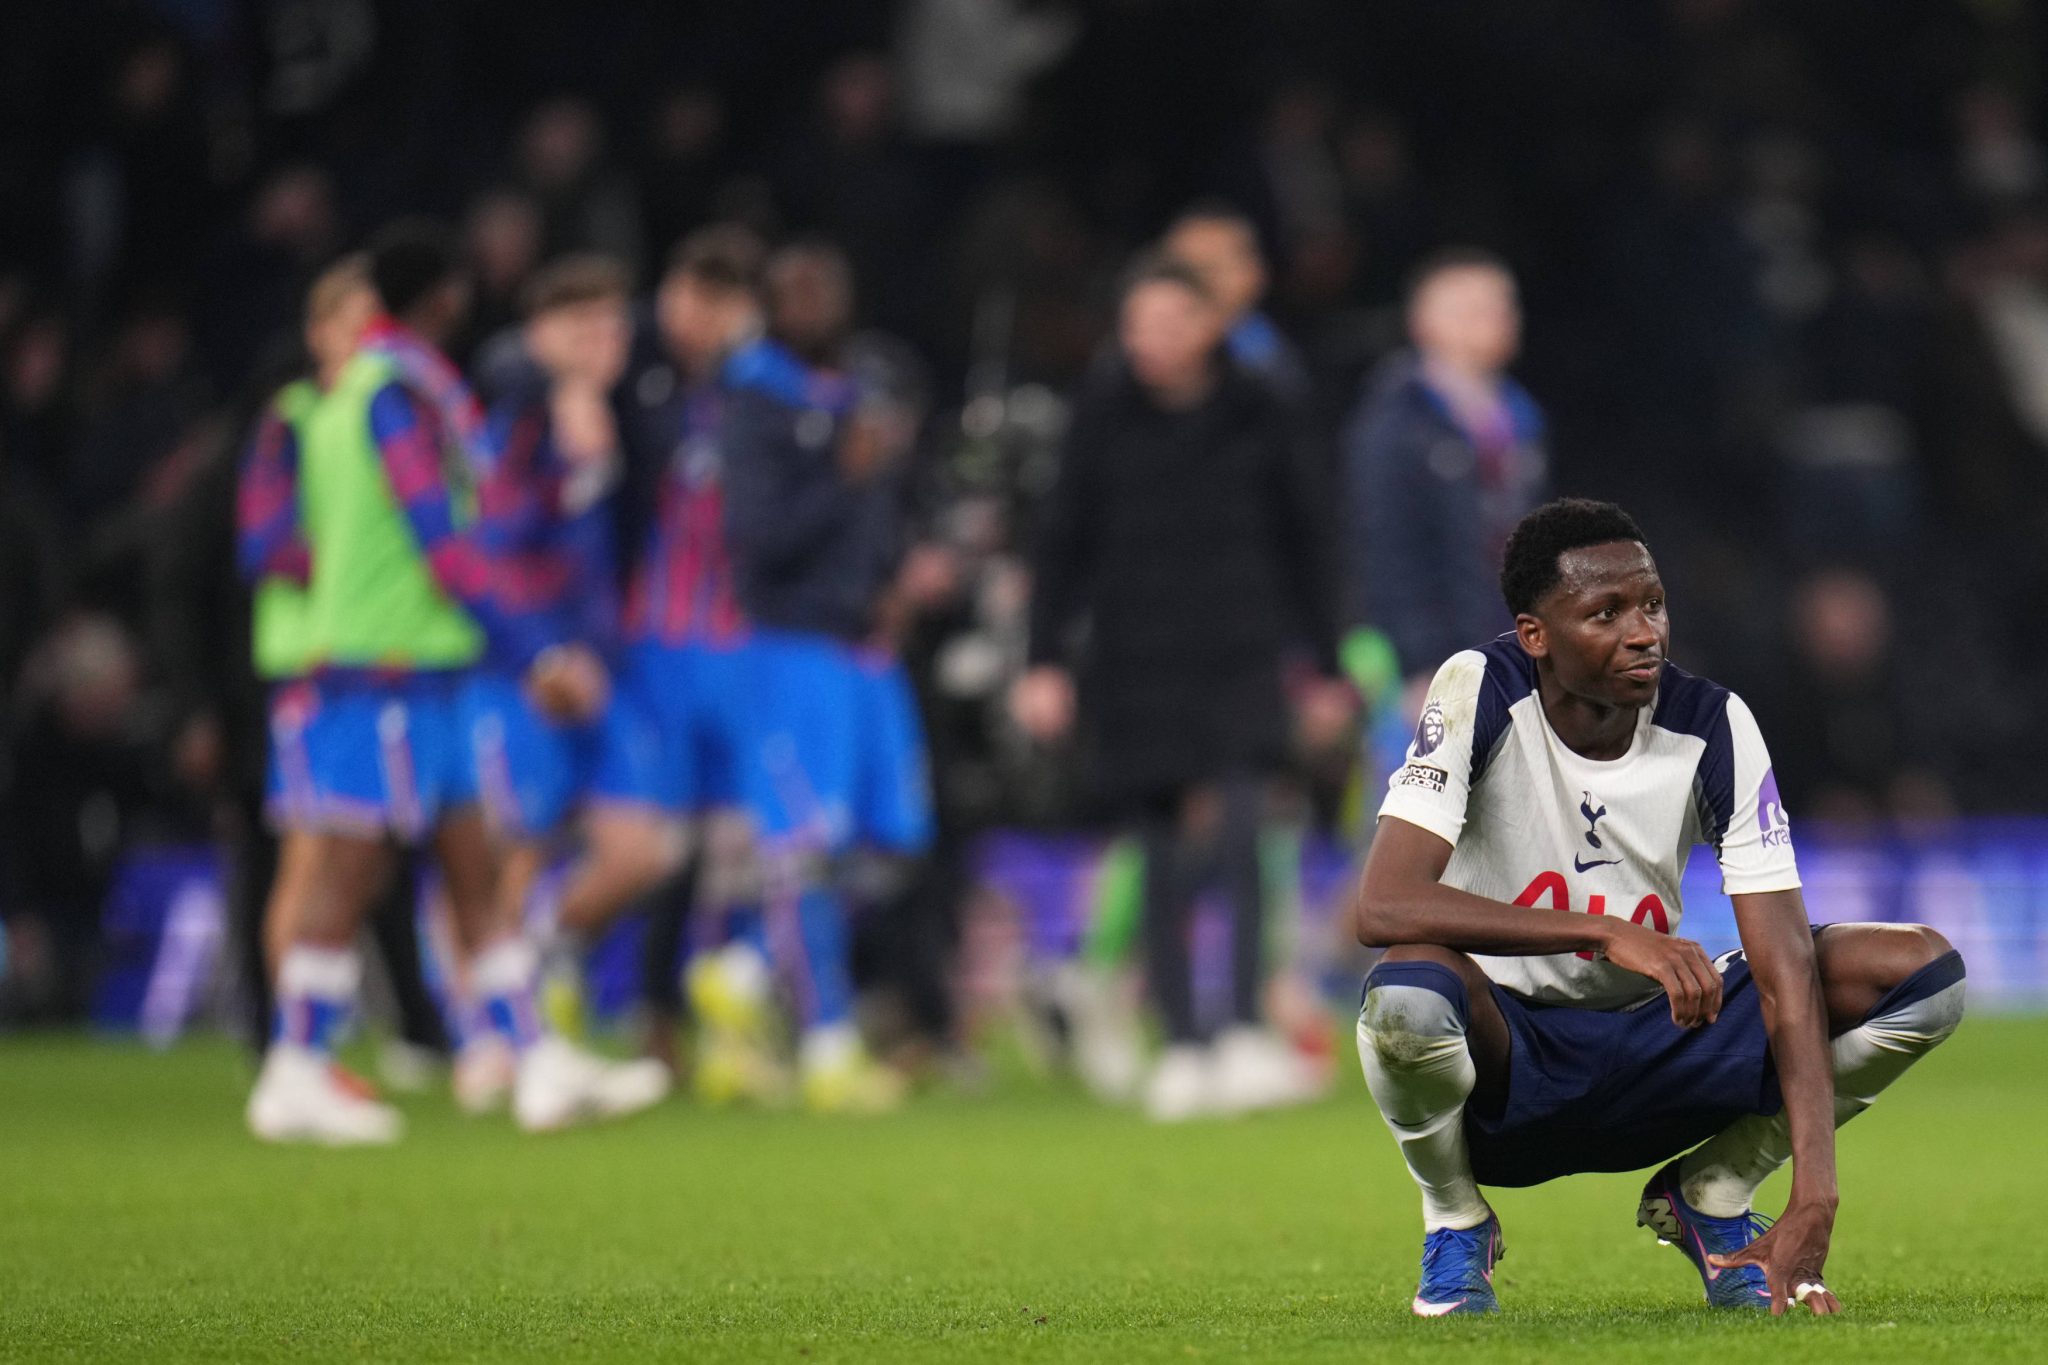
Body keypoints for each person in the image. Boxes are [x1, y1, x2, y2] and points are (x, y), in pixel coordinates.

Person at [1352, 497, 1966, 1316]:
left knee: (1923, 972)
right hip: (1508, 1060)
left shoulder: (1714, 723)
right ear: (1536, 635)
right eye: (1606, 612)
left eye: (1652, 603)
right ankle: (1455, 1215)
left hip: (1657, 1045)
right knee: (1405, 997)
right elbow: (1383, 904)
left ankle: (1714, 1187)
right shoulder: (1479, 687)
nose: (1644, 631)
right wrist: (1606, 932)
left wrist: (1815, 1192)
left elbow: (1785, 971)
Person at [240, 223, 661, 1144]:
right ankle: (294, 1067)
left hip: (426, 674)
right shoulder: (397, 395)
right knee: (344, 870)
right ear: (439, 301)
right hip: (377, 673)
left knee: (475, 868)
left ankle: (537, 1060)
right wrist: (533, 651)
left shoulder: (361, 392)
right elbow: (442, 539)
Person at [1016, 254, 1350, 1121]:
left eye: (1169, 324)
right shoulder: (1103, 413)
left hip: (1240, 653)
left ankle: (1241, 1027)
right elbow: (1062, 542)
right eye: (1137, 327)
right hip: (1137, 660)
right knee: (1161, 850)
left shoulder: (1261, 408)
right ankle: (1185, 1041)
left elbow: (1310, 538)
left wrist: (1328, 664)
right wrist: (1043, 659)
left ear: (1209, 325)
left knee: (1241, 830)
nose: (1150, 343)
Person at [184, 255, 449, 1069]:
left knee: (349, 857)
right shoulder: (298, 418)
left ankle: (320, 1047)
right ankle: (288, 1049)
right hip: (315, 663)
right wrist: (340, 569)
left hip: (349, 658)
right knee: (314, 860)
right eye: (348, 322)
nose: (365, 337)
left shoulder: (355, 413)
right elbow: (264, 545)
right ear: (318, 332)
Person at [719, 239, 936, 1114]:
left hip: (865, 647)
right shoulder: (754, 399)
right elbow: (758, 540)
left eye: (825, 286)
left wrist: (897, 580)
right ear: (770, 302)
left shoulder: (862, 391)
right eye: (794, 289)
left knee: (894, 841)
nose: (811, 302)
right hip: (791, 645)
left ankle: (743, 967)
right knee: (804, 846)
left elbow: (884, 508)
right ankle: (828, 1042)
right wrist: (840, 476)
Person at [459, 252, 670, 1111]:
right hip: (523, 672)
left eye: (613, 326)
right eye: (581, 327)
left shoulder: (604, 412)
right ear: (541, 335)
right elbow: (487, 552)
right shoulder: (516, 410)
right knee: (517, 851)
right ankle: (500, 1045)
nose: (603, 343)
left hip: (599, 669)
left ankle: (508, 997)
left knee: (641, 853)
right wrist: (539, 653)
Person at [1341, 248, 1547, 791]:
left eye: (1504, 306)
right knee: (1410, 812)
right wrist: (1418, 663)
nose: (1498, 319)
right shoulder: (1395, 424)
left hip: (1506, 652)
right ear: (1425, 322)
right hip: (1424, 659)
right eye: (1474, 308)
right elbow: (1384, 550)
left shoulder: (1517, 419)